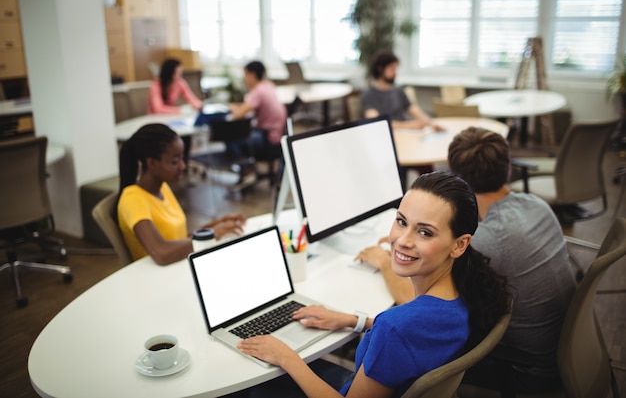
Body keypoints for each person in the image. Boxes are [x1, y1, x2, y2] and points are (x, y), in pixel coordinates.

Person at [235, 171, 510, 398]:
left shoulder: (396, 327)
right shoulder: (463, 293)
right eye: (401, 222)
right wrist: (355, 320)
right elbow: (415, 334)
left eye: (424, 232)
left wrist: (286, 356)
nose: (403, 240)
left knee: (250, 385)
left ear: (460, 244)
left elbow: (400, 331)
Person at [359, 127, 576, 393]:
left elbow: (416, 304)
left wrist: (383, 261)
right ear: (507, 169)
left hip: (526, 371)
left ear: (458, 182)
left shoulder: (488, 240)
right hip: (565, 348)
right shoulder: (537, 204)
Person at [115, 123, 246, 265]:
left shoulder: (162, 187)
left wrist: (219, 225)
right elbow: (161, 253)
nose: (183, 166)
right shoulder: (133, 199)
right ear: (152, 163)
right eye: (175, 161)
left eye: (182, 159)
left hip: (178, 265)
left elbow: (181, 239)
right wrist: (215, 233)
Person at [361, 51, 441, 131]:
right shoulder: (369, 95)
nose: (395, 72)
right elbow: (377, 123)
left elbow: (414, 110)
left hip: (406, 133)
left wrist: (431, 123)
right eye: (392, 69)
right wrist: (409, 125)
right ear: (380, 69)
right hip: (388, 135)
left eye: (396, 69)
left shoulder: (398, 90)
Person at [148, 58, 205, 169]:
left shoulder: (180, 83)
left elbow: (191, 99)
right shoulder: (155, 85)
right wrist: (181, 110)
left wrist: (199, 105)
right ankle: (167, 168)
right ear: (169, 73)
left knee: (186, 136)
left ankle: (183, 167)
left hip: (171, 119)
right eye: (177, 73)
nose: (180, 75)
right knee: (168, 143)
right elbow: (158, 109)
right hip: (156, 121)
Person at [228, 60, 288, 161]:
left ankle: (245, 168)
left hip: (268, 139)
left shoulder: (257, 92)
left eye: (245, 74)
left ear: (252, 75)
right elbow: (248, 106)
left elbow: (238, 115)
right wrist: (239, 107)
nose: (244, 78)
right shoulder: (268, 85)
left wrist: (231, 108)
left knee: (230, 136)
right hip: (279, 136)